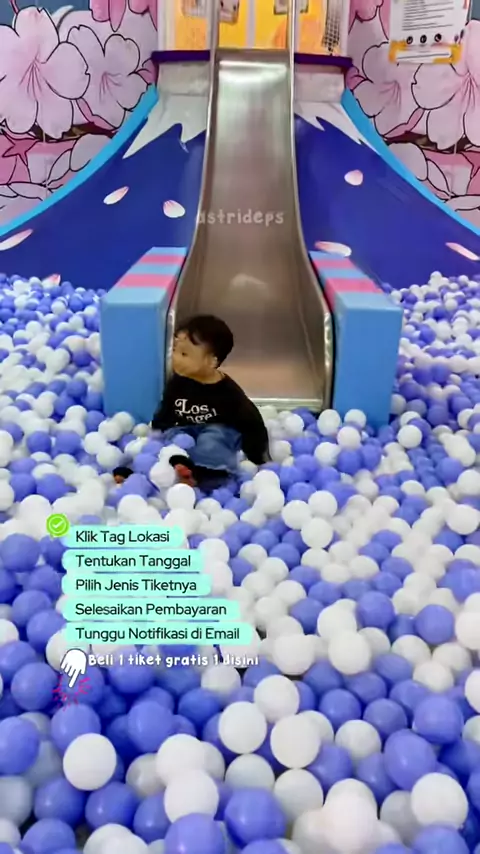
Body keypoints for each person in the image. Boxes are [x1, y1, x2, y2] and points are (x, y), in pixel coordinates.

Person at [151, 315, 269, 490]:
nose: (176, 358)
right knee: (177, 438)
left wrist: (257, 456)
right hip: (187, 427)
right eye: (175, 350)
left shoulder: (227, 392)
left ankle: (210, 474)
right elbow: (167, 406)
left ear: (211, 361)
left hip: (219, 429)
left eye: (184, 354)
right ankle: (180, 467)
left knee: (213, 438)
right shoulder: (178, 382)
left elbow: (251, 420)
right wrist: (158, 429)